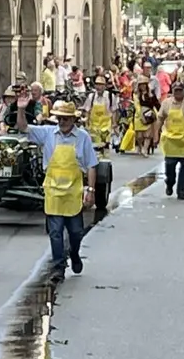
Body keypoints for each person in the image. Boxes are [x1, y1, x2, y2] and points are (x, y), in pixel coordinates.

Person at [12, 98, 96, 283]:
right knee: (55, 231)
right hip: (53, 192)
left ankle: (74, 254)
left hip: (73, 192)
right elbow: (23, 128)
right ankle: (58, 266)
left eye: (66, 118)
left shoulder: (83, 137)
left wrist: (90, 190)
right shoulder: (48, 133)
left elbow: (91, 165)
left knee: (76, 232)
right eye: (59, 118)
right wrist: (20, 109)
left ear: (73, 120)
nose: (62, 122)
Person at [82, 75, 117, 156]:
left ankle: (105, 163)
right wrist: (86, 123)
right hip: (94, 127)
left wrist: (114, 123)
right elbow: (87, 110)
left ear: (105, 86)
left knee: (105, 146)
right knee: (95, 147)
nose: (99, 87)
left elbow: (114, 110)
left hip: (106, 126)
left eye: (101, 85)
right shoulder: (91, 97)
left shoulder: (110, 96)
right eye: (97, 84)